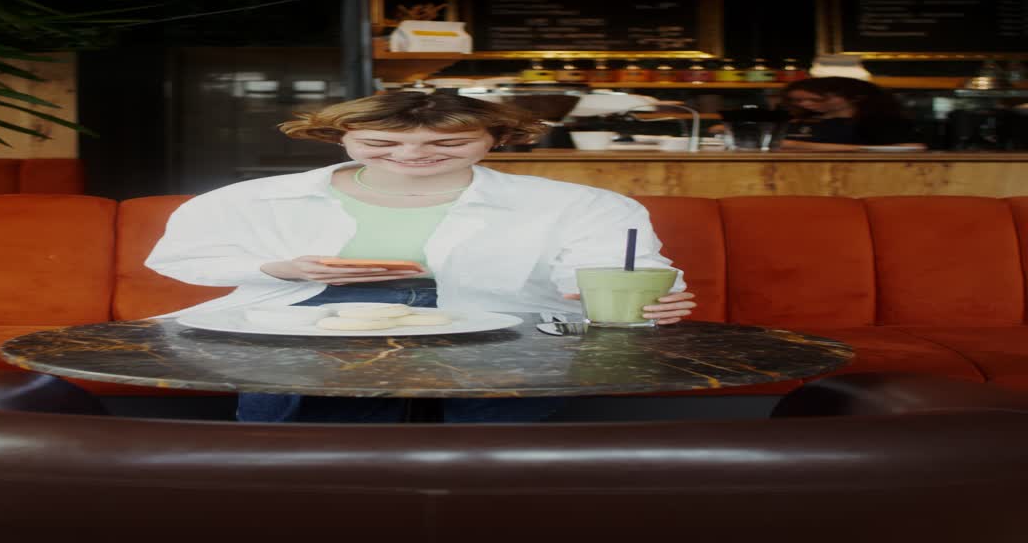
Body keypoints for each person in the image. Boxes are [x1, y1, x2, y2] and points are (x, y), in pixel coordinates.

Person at [144, 90, 696, 423]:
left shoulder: (578, 203)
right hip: (308, 317)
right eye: (380, 145)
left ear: (496, 138)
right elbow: (183, 257)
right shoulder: (257, 197)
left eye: (446, 144)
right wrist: (279, 268)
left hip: (508, 325)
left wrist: (651, 296)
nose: (411, 156)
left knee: (497, 417)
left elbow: (625, 268)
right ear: (341, 137)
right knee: (304, 425)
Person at [779, 76, 926, 151]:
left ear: (855, 97)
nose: (806, 104)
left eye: (816, 99)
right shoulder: (797, 122)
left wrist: (799, 145)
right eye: (798, 100)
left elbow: (914, 148)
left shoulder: (878, 122)